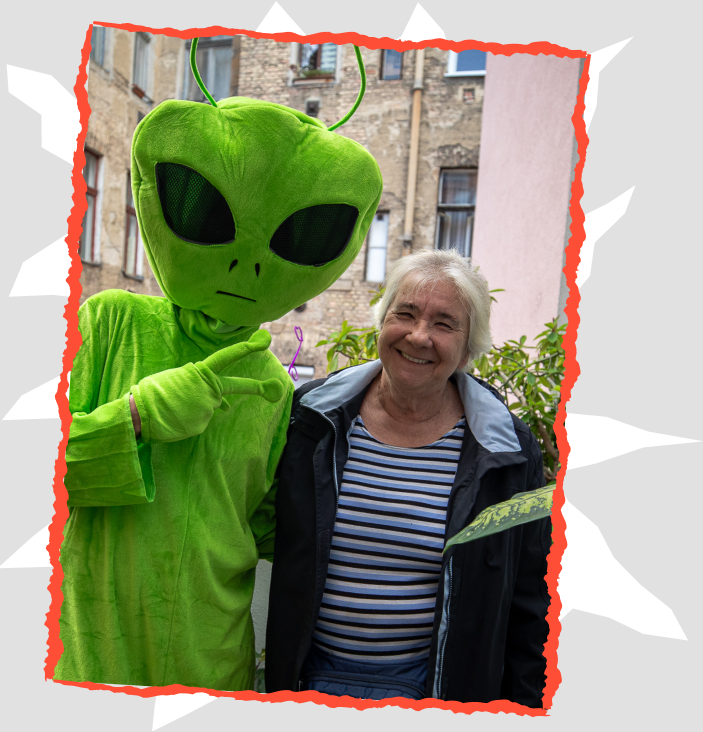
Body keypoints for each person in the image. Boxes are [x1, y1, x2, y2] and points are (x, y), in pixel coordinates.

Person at [54, 45, 383, 691]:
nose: (246, 266)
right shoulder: (112, 321)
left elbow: (264, 522)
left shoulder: (271, 385)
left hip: (212, 652)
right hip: (98, 646)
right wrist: (136, 417)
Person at [265, 249, 551, 707]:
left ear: (468, 348)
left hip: (435, 693)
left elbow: (530, 601)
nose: (419, 336)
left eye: (444, 324)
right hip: (308, 683)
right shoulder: (312, 420)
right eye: (406, 314)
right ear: (382, 322)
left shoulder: (507, 452)